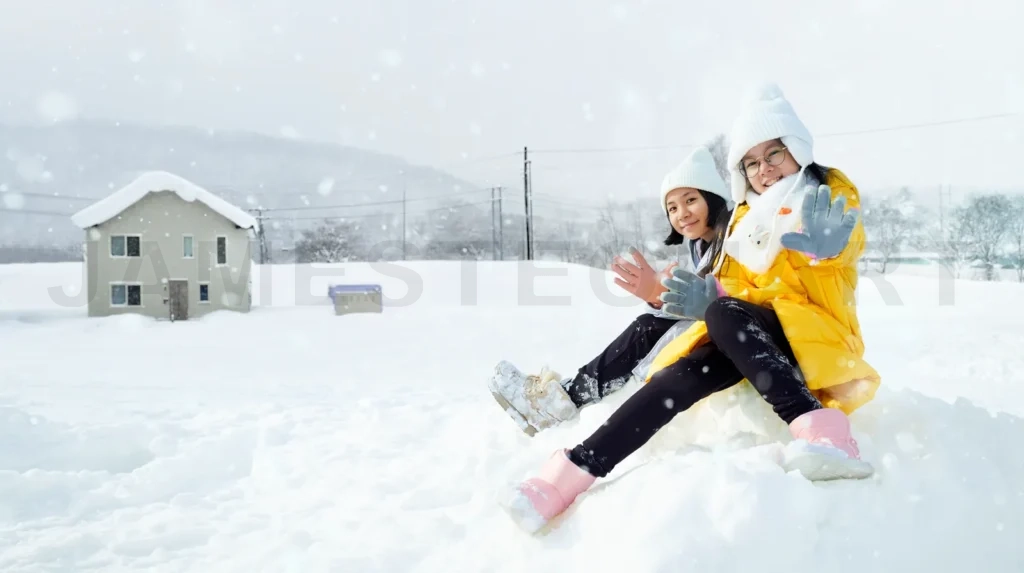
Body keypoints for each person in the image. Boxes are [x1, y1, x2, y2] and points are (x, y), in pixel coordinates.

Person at [504, 83, 882, 534]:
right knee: (674, 379)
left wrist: (828, 249)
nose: (764, 170)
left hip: (814, 333)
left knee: (720, 317)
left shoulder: (825, 190)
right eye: (752, 162)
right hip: (754, 336)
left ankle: (825, 436)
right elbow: (738, 289)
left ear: (796, 149)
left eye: (774, 154)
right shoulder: (746, 219)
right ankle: (565, 478)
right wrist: (711, 300)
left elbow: (846, 238)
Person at [486, 145, 734, 436]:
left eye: (691, 200)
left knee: (646, 328)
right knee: (648, 324)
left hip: (733, 341)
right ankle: (565, 396)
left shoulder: (732, 237)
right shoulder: (700, 244)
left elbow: (730, 299)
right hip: (718, 331)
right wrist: (659, 297)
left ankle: (562, 401)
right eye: (672, 208)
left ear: (713, 197)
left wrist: (661, 298)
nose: (682, 214)